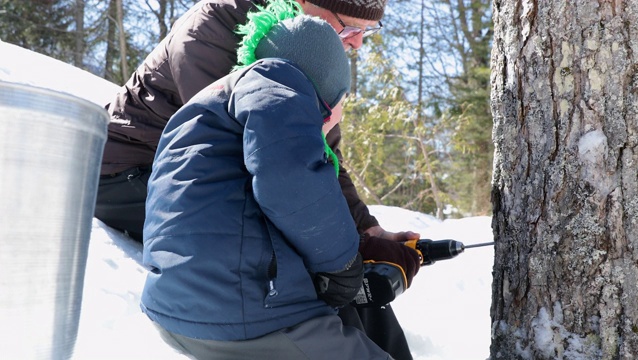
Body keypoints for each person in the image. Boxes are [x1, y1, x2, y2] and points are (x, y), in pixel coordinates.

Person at [97, 0, 418, 358]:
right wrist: (340, 259)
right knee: (306, 261)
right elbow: (273, 159)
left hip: (224, 177)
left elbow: (319, 157)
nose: (357, 44)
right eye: (350, 27)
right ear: (304, 3)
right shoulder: (218, 29)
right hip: (128, 173)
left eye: (367, 32)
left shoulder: (305, 55)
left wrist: (366, 234)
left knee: (342, 270)